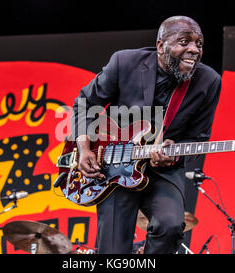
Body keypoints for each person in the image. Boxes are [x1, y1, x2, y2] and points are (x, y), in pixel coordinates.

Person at [72, 15, 222, 254]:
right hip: (113, 166)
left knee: (171, 226)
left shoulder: (208, 81)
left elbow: (198, 137)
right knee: (113, 249)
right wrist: (84, 148)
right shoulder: (125, 62)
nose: (194, 49)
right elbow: (85, 103)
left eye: (199, 44)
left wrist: (172, 154)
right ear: (161, 45)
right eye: (185, 42)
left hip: (163, 171)